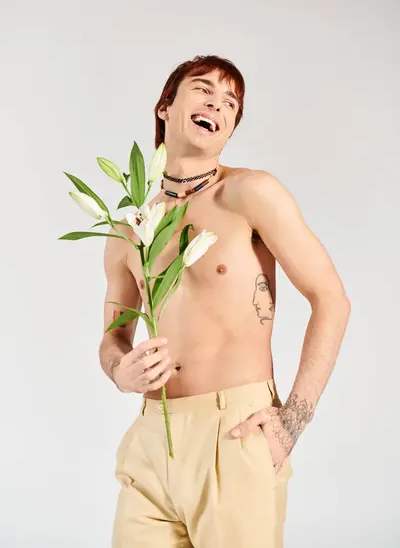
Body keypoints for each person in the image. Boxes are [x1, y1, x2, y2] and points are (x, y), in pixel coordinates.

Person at [99, 55, 351, 547]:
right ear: (165, 108)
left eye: (231, 102)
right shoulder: (128, 228)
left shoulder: (248, 193)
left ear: (229, 128)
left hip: (236, 433)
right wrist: (119, 370)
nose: (218, 103)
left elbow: (331, 299)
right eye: (204, 90)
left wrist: (291, 422)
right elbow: (113, 335)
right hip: (152, 441)